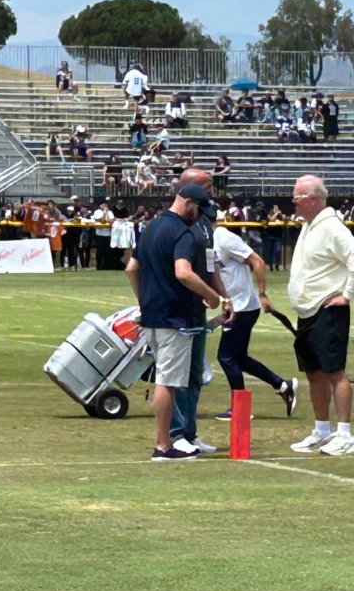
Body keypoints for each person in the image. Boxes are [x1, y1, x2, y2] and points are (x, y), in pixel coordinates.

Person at [126, 183, 224, 461]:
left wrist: (144, 298)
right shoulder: (183, 232)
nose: (199, 216)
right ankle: (163, 445)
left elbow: (131, 269)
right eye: (198, 210)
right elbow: (183, 273)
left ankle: (167, 442)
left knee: (164, 378)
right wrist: (212, 296)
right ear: (189, 203)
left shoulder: (149, 228)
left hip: (152, 315)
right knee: (167, 382)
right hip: (175, 317)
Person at [287, 175, 354, 456]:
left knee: (335, 372)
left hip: (327, 311)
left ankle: (345, 435)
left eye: (297, 197)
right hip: (307, 312)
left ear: (312, 199)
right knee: (314, 373)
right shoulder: (309, 226)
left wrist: (345, 296)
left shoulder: (333, 227)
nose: (293, 202)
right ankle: (321, 431)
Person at [212, 212, 299, 420]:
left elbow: (257, 262)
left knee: (226, 356)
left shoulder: (224, 238)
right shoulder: (205, 242)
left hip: (245, 307)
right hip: (235, 306)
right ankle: (282, 384)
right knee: (238, 358)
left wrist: (262, 294)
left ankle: (239, 409)